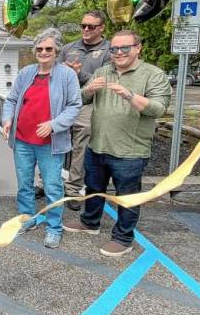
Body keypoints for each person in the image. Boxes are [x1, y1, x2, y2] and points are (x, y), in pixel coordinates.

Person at [63, 30, 171, 257]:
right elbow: (81, 99)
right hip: (98, 144)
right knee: (94, 189)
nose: (119, 53)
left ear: (138, 48)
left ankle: (123, 237)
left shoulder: (153, 74)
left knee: (127, 196)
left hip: (130, 150)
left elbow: (158, 109)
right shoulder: (103, 71)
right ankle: (90, 222)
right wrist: (89, 89)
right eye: (114, 49)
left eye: (125, 48)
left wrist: (130, 95)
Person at [2, 28, 81, 248]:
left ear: (57, 51)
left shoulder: (67, 75)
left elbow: (75, 106)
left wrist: (54, 125)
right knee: (24, 183)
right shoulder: (27, 72)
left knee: (53, 186)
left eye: (49, 48)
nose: (44, 52)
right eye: (39, 48)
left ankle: (54, 228)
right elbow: (11, 99)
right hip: (22, 140)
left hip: (50, 144)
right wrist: (7, 119)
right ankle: (27, 219)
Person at [57, 10, 111, 211]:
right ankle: (47, 182)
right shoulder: (69, 48)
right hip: (63, 104)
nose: (86, 30)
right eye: (83, 26)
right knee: (55, 141)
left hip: (89, 105)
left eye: (91, 26)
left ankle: (72, 189)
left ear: (101, 28)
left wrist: (79, 73)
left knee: (80, 146)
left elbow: (104, 81)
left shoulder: (109, 50)